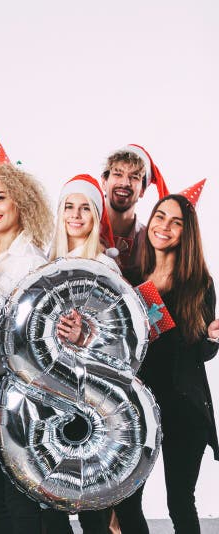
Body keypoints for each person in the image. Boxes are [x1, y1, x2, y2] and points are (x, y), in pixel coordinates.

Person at [114, 186, 219, 534]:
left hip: (184, 408)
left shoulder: (199, 284)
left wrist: (214, 337)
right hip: (139, 408)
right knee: (126, 504)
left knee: (180, 503)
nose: (165, 226)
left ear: (186, 234)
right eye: (160, 217)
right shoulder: (130, 279)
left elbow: (201, 353)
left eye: (176, 222)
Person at [0, 162, 53, 533]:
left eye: (0, 197)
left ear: (21, 201)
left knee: (17, 495)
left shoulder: (30, 260)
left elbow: (32, 332)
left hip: (16, 386)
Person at [43, 174, 120, 534]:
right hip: (48, 393)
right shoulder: (46, 263)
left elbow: (119, 338)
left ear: (95, 215)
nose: (75, 215)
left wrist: (85, 335)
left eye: (84, 208)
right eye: (68, 207)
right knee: (49, 494)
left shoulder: (106, 266)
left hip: (87, 396)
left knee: (87, 495)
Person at [100, 144, 168, 274]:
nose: (125, 183)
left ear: (142, 190)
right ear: (104, 182)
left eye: (134, 177)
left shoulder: (152, 242)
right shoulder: (82, 230)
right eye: (118, 174)